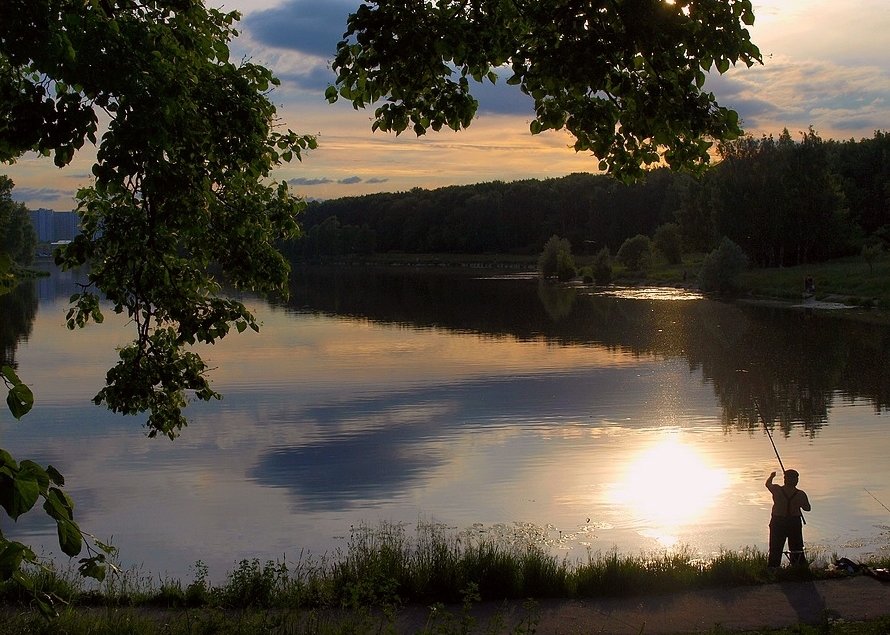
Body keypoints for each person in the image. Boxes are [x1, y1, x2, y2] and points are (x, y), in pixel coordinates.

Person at [765, 469, 811, 567]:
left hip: (778, 522)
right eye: (796, 479)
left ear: (785, 479)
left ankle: (773, 568)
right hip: (794, 522)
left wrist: (771, 476)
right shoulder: (800, 494)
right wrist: (798, 504)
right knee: (796, 548)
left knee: (775, 547)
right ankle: (798, 567)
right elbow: (807, 508)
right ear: (795, 480)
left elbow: (768, 484)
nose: (797, 480)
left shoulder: (777, 490)